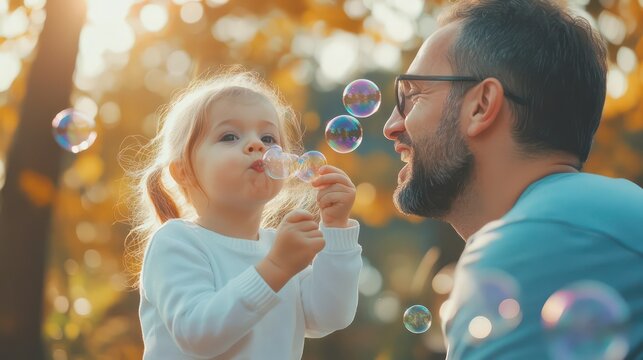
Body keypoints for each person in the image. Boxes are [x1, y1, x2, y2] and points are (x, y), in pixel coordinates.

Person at [382, 0, 643, 358]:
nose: (391, 126)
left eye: (413, 96)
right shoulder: (590, 218)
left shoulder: (534, 240)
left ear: (482, 104)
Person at [126, 69, 362, 359]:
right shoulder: (176, 242)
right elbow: (197, 335)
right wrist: (276, 267)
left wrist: (336, 228)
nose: (257, 145)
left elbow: (330, 315)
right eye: (229, 136)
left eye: (268, 137)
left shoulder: (280, 248)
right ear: (183, 172)